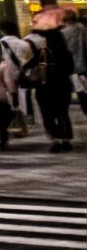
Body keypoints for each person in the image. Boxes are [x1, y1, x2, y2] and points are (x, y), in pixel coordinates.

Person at [50, 14, 83, 152]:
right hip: (66, 83)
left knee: (50, 113)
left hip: (49, 85)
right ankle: (66, 138)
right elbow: (70, 68)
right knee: (63, 112)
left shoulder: (45, 53)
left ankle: (57, 137)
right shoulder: (66, 53)